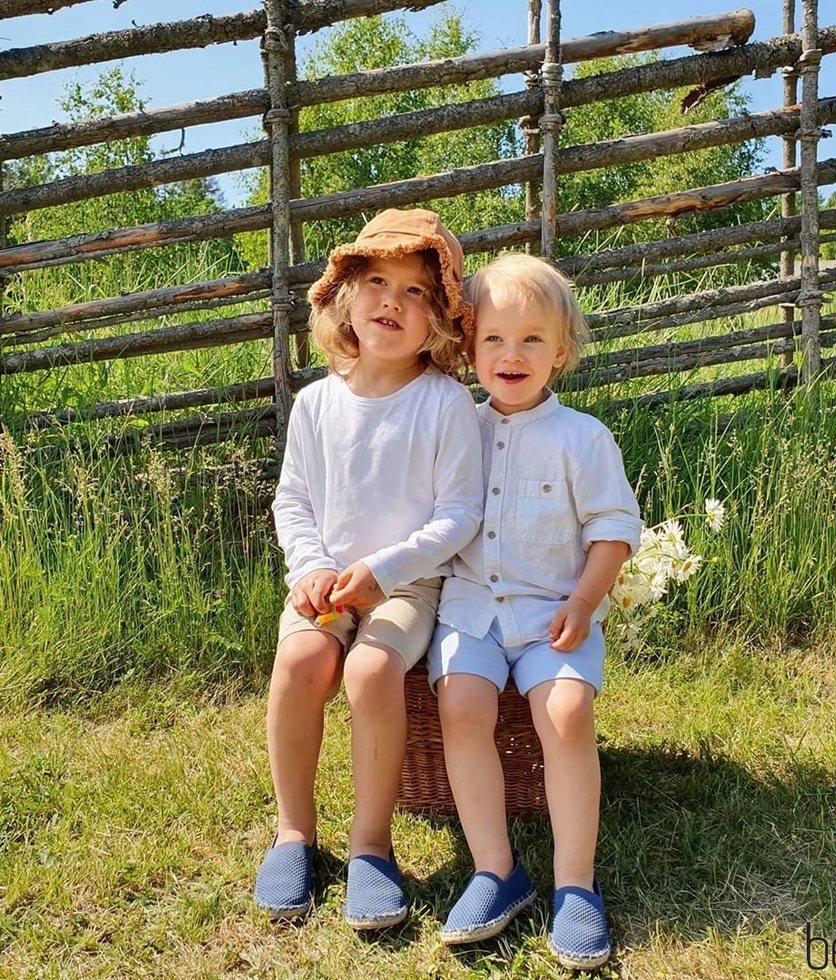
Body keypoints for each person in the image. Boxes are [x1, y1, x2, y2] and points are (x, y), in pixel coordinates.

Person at [254, 208, 484, 927]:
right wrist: (310, 567)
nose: (393, 301)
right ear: (347, 296)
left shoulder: (445, 404)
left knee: (371, 670)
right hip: (327, 581)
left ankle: (370, 846)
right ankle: (295, 831)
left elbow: (458, 517)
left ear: (441, 320)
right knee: (299, 665)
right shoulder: (318, 403)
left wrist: (384, 570)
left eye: (417, 292)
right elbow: (292, 498)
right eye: (378, 280)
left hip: (407, 584)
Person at [429, 252, 642, 971]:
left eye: (530, 340)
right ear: (469, 347)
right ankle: (496, 869)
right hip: (470, 612)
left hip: (556, 612)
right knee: (461, 702)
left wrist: (586, 600)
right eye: (493, 339)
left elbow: (613, 531)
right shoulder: (456, 424)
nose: (510, 355)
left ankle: (575, 884)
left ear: (562, 351)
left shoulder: (583, 437)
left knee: (568, 712)